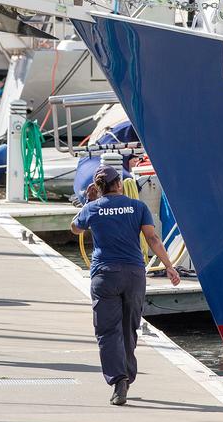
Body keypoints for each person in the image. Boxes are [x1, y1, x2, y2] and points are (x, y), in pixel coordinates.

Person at [70, 165, 180, 406]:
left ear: (98, 188)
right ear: (119, 184)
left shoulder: (93, 207)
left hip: (105, 275)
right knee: (129, 328)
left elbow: (75, 227)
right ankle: (127, 377)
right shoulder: (137, 207)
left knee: (107, 331)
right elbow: (152, 238)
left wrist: (88, 201)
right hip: (133, 274)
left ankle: (118, 380)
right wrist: (169, 266)